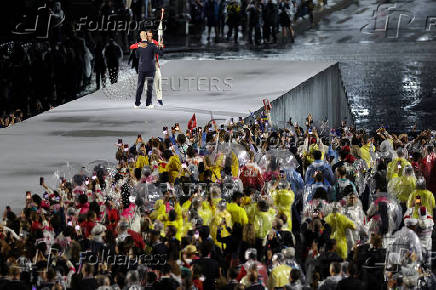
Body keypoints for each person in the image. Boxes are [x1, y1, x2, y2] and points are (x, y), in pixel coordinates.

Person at [130, 31, 164, 106]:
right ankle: (148, 103)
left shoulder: (153, 43)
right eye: (148, 36)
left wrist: (160, 45)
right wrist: (139, 45)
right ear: (145, 36)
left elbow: (137, 55)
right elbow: (132, 46)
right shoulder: (144, 44)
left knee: (156, 81)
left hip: (149, 65)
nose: (150, 37)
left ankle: (158, 99)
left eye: (151, 36)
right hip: (148, 66)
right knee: (148, 85)